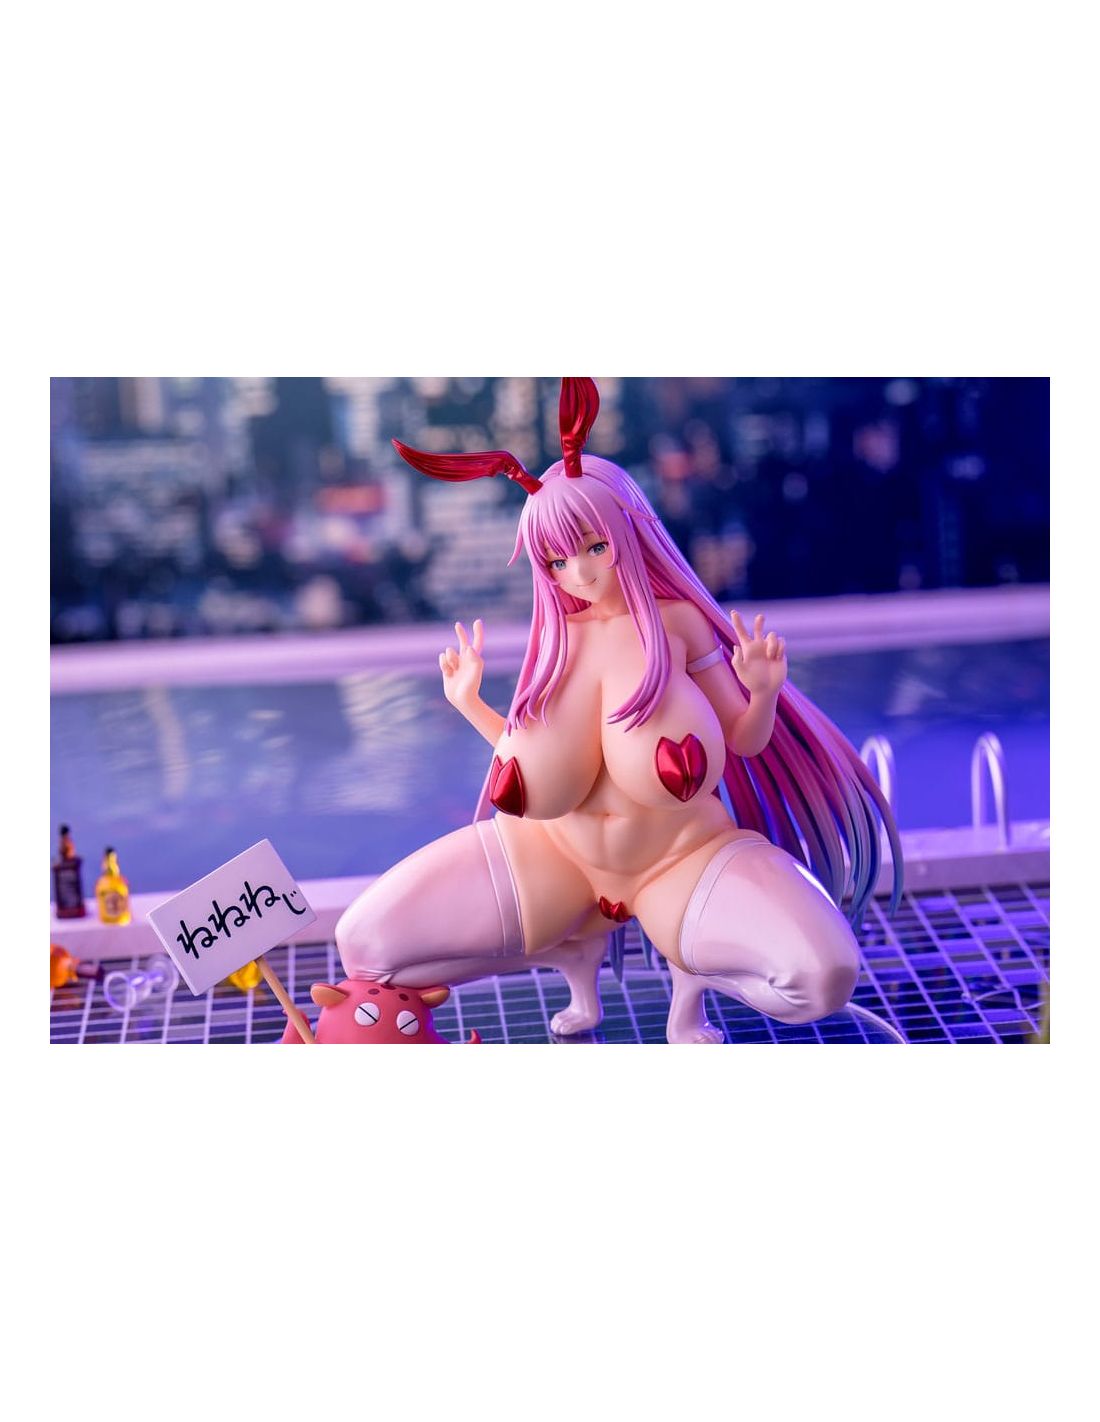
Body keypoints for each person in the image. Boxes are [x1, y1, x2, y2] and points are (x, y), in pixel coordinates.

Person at [335, 379, 901, 1043]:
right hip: (556, 858)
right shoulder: (557, 641)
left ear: (628, 532)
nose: (579, 573)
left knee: (823, 977)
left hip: (680, 858)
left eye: (594, 547)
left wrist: (765, 691)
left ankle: (692, 981)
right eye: (557, 560)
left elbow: (744, 741)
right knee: (363, 944)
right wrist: (470, 705)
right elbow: (530, 759)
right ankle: (570, 951)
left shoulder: (678, 625)